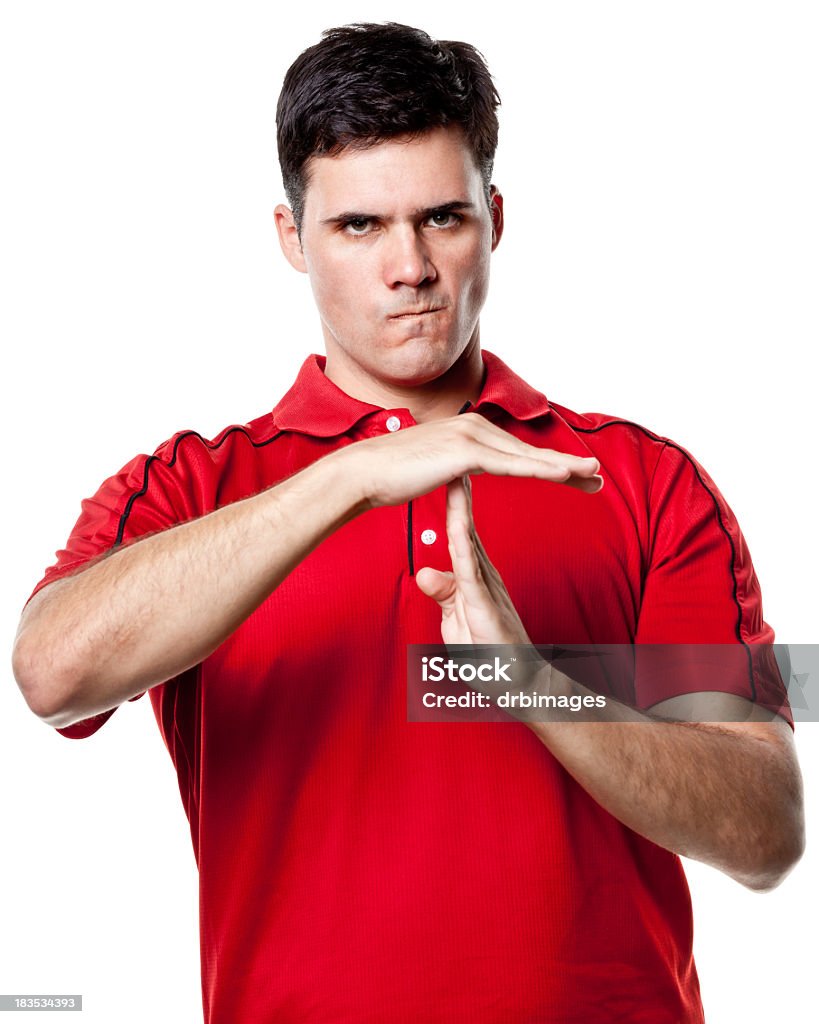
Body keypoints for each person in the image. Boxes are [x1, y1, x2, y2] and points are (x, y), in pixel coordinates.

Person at [12, 21, 804, 1024]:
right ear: (292, 238)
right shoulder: (194, 486)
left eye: (443, 218)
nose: (411, 266)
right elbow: (51, 674)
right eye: (358, 226)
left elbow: (766, 825)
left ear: (496, 219)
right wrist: (352, 476)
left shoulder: (642, 482)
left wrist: (537, 685)